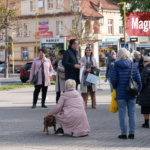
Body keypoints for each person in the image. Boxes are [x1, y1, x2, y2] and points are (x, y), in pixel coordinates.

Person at [111, 48, 142, 139]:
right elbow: (139, 80)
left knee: (122, 113)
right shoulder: (133, 65)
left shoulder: (116, 65)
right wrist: (138, 91)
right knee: (132, 113)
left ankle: (123, 133)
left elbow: (113, 79)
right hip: (132, 93)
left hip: (120, 93)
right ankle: (132, 133)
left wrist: (116, 87)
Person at [139, 57, 150, 128]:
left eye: (144, 62)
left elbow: (143, 82)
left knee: (145, 108)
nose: (143, 63)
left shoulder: (146, 69)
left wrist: (139, 90)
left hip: (146, 92)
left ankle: (146, 123)